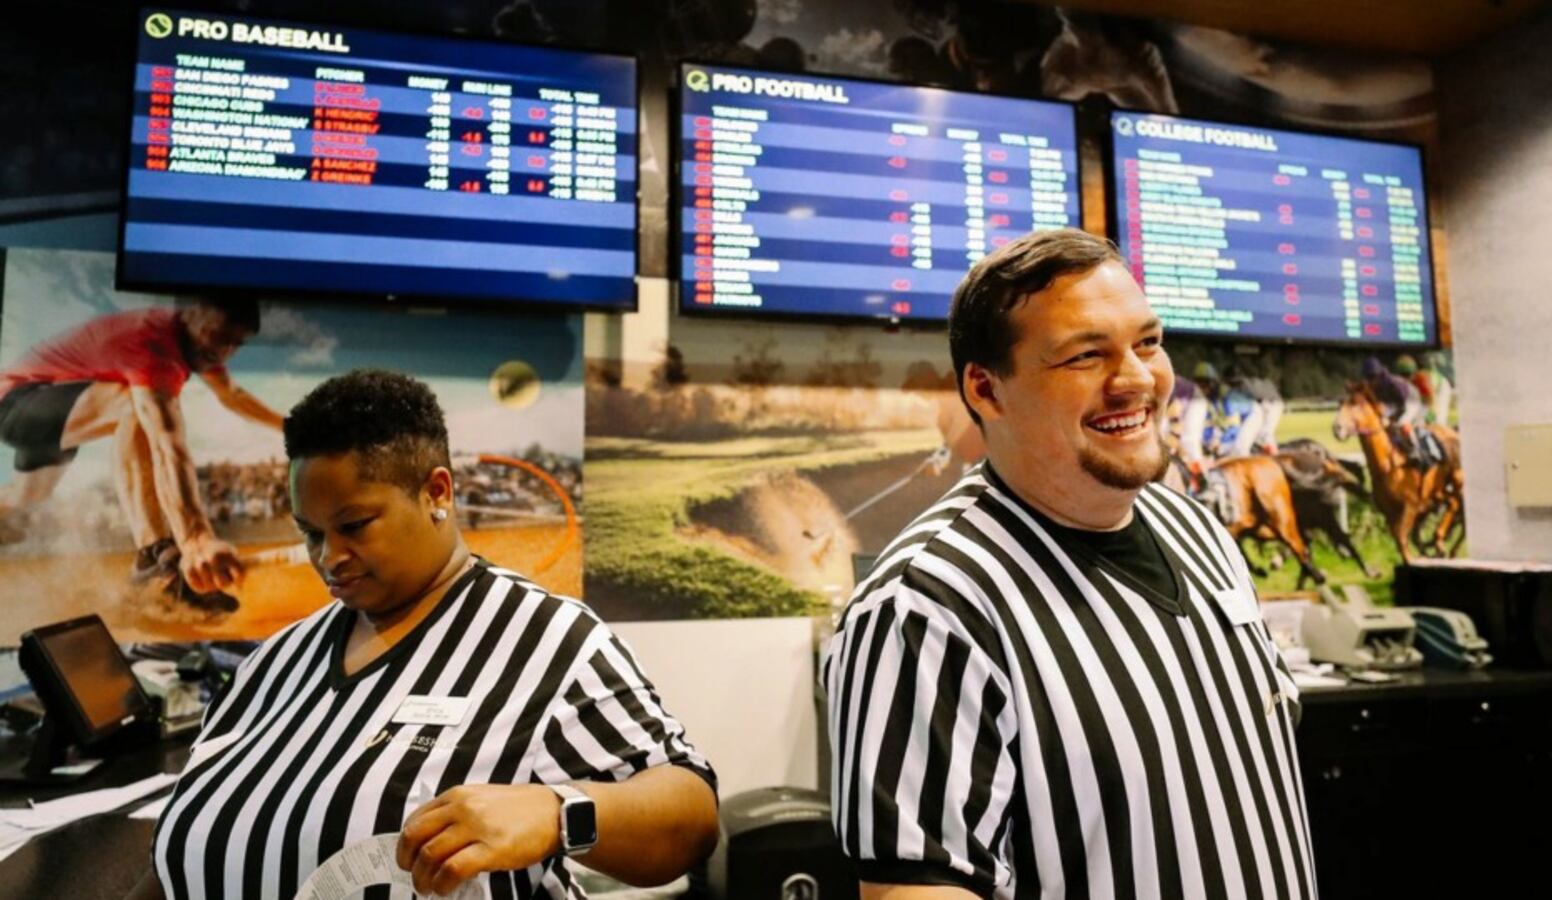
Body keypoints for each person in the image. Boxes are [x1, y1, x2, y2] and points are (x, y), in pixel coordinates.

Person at [825, 229, 1315, 899]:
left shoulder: (1202, 534)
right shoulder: (926, 606)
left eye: (1147, 342)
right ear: (986, 390)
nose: (1139, 379)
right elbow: (913, 889)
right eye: (1087, 356)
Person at [139, 370, 719, 899]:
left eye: (354, 526)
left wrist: (555, 813)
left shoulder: (546, 641)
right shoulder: (273, 663)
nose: (328, 558)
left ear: (437, 492)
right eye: (310, 533)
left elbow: (690, 817)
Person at [0, 297, 281, 612]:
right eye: (218, 336)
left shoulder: (198, 346)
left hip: (59, 411)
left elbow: (233, 395)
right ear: (190, 313)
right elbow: (166, 444)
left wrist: (290, 427)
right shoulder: (152, 342)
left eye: (235, 344)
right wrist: (195, 540)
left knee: (23, 497)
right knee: (136, 406)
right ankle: (153, 557)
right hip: (17, 402)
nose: (223, 352)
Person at [1361, 356, 1430, 468]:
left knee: (1400, 423)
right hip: (1395, 402)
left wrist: (1392, 418)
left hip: (1410, 400)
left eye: (1372, 377)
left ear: (1379, 375)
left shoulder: (1392, 383)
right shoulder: (1372, 385)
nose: (1370, 381)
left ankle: (1415, 451)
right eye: (1368, 378)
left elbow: (1402, 406)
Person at [1193, 360, 1264, 460]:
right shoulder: (1209, 398)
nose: (1201, 390)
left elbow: (1233, 426)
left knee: (1239, 449)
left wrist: (1220, 442)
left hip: (1252, 414)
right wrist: (1207, 441)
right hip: (1236, 419)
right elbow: (1210, 423)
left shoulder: (1227, 397)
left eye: (1203, 385)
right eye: (1198, 385)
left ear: (1212, 383)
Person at [1226, 364, 1285, 455]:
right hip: (1270, 402)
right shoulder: (1246, 383)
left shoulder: (1244, 385)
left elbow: (1256, 404)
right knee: (1259, 433)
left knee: (1265, 433)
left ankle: (1275, 456)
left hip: (1273, 404)